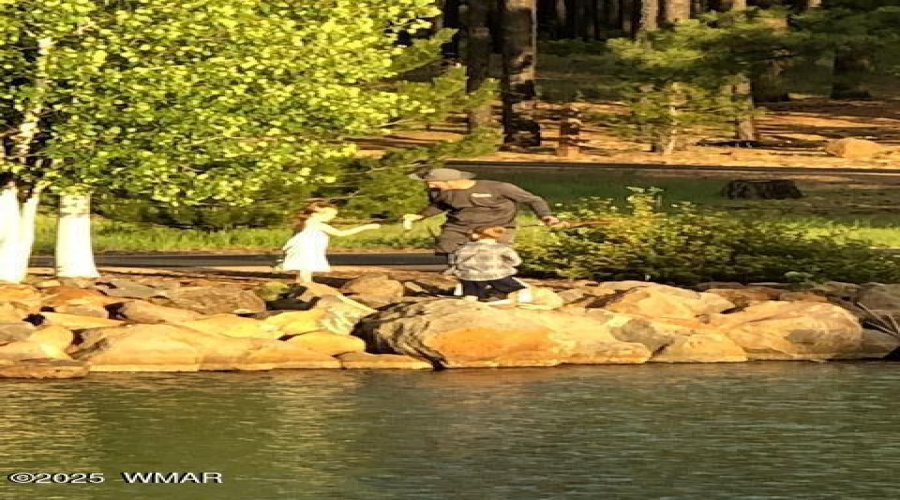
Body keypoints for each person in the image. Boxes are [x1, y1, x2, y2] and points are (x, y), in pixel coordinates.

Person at [402, 168, 560, 257]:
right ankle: (461, 281)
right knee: (447, 249)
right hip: (459, 227)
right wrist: (420, 215)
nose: (431, 187)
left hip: (496, 227)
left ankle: (498, 286)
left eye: (433, 183)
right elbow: (440, 206)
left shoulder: (498, 188)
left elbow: (534, 200)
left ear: (450, 181)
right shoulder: (441, 192)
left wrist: (546, 216)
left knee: (494, 256)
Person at [280, 202, 380, 283]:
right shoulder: (317, 224)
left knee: (304, 269)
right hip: (308, 249)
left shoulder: (305, 223)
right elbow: (341, 233)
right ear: (317, 214)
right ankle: (306, 285)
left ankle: (303, 284)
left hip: (304, 247)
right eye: (330, 215)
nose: (331, 218)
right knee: (306, 267)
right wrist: (366, 227)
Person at [448, 226, 532, 304]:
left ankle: (470, 299)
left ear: (475, 235)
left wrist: (457, 269)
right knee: (517, 287)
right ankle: (521, 298)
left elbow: (454, 260)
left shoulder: (464, 247)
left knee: (471, 293)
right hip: (496, 275)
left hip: (470, 276)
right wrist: (506, 265)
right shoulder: (502, 248)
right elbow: (516, 261)